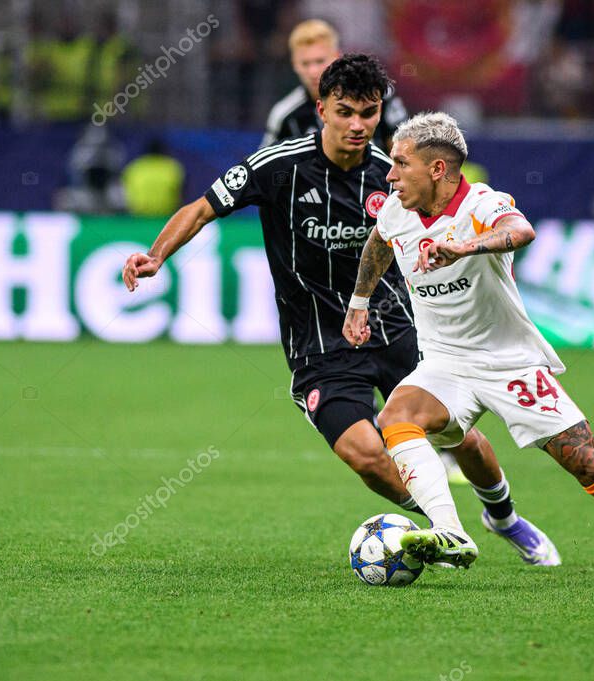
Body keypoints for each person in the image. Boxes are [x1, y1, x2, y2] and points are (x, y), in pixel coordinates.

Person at [122, 54, 559, 567]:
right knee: (366, 456)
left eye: (368, 113)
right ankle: (442, 529)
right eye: (345, 112)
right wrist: (156, 255)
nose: (357, 125)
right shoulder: (275, 167)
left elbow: (447, 222)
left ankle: (504, 518)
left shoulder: (392, 174)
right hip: (318, 344)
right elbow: (200, 208)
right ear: (322, 110)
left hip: (397, 327)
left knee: (461, 439)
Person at [342, 111, 594, 588]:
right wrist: (359, 303)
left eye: (400, 163)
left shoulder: (482, 203)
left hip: (508, 363)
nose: (390, 175)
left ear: (437, 169)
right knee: (396, 416)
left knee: (588, 462)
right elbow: (379, 242)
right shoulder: (397, 209)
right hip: (445, 363)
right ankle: (450, 531)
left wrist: (464, 248)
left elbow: (520, 230)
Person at [261, 20, 408, 150]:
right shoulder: (284, 115)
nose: (313, 71)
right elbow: (266, 166)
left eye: (320, 61)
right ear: (294, 64)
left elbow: (404, 151)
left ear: (336, 57)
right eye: (305, 63)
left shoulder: (378, 94)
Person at [121, 138, 186, 217]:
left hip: (138, 218)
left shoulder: (135, 167)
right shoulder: (172, 167)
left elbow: (124, 194)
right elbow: (181, 195)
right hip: (166, 218)